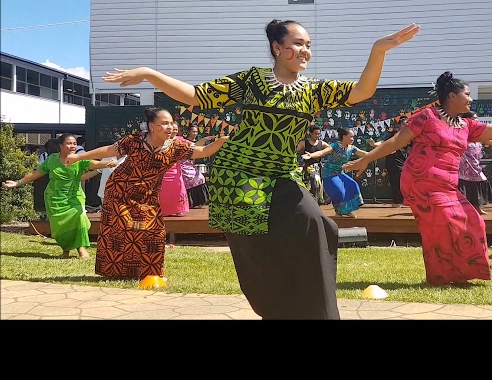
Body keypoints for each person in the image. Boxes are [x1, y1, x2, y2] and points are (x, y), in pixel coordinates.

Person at [101, 19, 419, 319]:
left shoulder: (313, 90)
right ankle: (278, 311)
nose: (306, 50)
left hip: (283, 174)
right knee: (256, 250)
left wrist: (379, 50)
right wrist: (149, 73)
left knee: (319, 227)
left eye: (309, 44)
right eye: (298, 43)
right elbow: (196, 95)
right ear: (277, 48)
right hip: (242, 176)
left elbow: (362, 92)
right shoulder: (252, 81)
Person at [344, 71, 492, 286]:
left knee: (474, 221)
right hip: (421, 182)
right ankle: (441, 277)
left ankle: (463, 272)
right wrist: (367, 159)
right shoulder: (426, 116)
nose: (471, 99)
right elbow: (396, 142)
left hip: (447, 185)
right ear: (452, 95)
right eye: (467, 94)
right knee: (441, 228)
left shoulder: (466, 125)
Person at [64, 107, 228, 280]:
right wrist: (78, 157)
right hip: (119, 191)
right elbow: (109, 150)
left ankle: (151, 273)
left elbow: (203, 151)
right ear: (151, 126)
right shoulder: (135, 140)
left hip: (147, 196)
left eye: (171, 123)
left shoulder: (176, 146)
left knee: (154, 232)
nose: (170, 127)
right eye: (164, 123)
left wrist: (223, 141)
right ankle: (117, 272)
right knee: (120, 232)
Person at [2, 133, 116, 259]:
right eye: (69, 143)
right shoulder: (52, 160)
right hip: (54, 198)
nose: (72, 146)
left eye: (74, 143)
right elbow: (35, 174)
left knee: (80, 219)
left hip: (75, 196)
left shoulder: (79, 159)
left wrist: (105, 164)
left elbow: (92, 164)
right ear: (61, 146)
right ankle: (65, 250)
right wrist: (17, 183)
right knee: (60, 226)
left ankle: (81, 249)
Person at [457, 111, 492, 215]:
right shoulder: (462, 135)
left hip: (475, 167)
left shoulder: (479, 136)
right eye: (474, 118)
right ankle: (466, 210)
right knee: (466, 187)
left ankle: (477, 208)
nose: (477, 120)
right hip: (464, 168)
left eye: (477, 118)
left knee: (479, 184)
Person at [303, 126, 366, 218]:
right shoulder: (335, 146)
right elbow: (322, 152)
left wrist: (382, 152)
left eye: (353, 137)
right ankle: (338, 212)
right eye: (351, 137)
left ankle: (347, 210)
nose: (352, 139)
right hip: (329, 172)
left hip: (340, 172)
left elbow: (366, 154)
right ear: (344, 137)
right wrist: (311, 155)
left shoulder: (352, 148)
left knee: (353, 185)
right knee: (340, 192)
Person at [369, 115, 410, 208]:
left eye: (408, 124)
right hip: (393, 161)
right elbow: (383, 143)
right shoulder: (393, 135)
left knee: (406, 180)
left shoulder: (409, 135)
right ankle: (396, 202)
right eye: (404, 124)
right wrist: (374, 144)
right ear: (399, 126)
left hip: (405, 161)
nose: (406, 126)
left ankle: (405, 201)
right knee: (396, 180)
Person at [158, 121, 190, 217]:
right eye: (173, 129)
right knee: (163, 191)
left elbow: (194, 146)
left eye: (176, 129)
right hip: (162, 170)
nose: (174, 131)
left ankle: (177, 209)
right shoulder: (159, 140)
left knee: (178, 188)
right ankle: (163, 210)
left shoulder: (180, 140)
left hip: (175, 169)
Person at [182, 123, 215, 209]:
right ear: (189, 132)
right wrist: (204, 139)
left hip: (191, 166)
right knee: (193, 178)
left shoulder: (196, 142)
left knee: (201, 178)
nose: (195, 133)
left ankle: (198, 201)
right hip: (183, 166)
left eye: (196, 132)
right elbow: (193, 147)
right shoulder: (184, 142)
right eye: (193, 131)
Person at [296, 124, 330, 205]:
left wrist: (323, 154)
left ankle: (317, 201)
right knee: (312, 181)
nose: (317, 135)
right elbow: (296, 151)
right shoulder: (304, 143)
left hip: (319, 167)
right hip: (307, 167)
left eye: (319, 134)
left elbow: (330, 149)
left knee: (318, 184)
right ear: (310, 133)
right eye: (315, 134)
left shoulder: (322, 143)